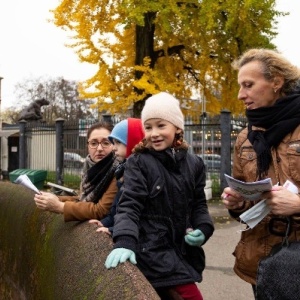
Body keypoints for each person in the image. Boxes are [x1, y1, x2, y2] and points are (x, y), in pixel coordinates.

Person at [105, 92, 214, 300]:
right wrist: (125, 240)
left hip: (182, 251)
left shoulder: (195, 164)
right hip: (152, 251)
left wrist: (204, 228)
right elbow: (129, 205)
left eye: (161, 125)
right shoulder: (138, 162)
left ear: (178, 128)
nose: (154, 133)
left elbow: (199, 204)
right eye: (148, 127)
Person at [221, 48, 300, 293]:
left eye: (248, 85)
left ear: (276, 82)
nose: (240, 95)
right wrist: (237, 203)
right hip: (262, 260)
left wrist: (298, 205)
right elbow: (250, 200)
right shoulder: (246, 136)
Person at [34, 121, 118, 222]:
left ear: (114, 145)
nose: (99, 148)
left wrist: (60, 206)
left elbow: (100, 210)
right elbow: (82, 199)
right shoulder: (89, 168)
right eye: (94, 143)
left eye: (106, 143)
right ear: (88, 146)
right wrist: (55, 198)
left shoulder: (118, 170)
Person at [89, 118, 144, 235]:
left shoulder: (139, 173)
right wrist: (105, 222)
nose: (114, 148)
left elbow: (138, 215)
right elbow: (117, 209)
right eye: (113, 143)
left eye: (118, 142)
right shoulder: (123, 169)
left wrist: (112, 229)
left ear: (133, 142)